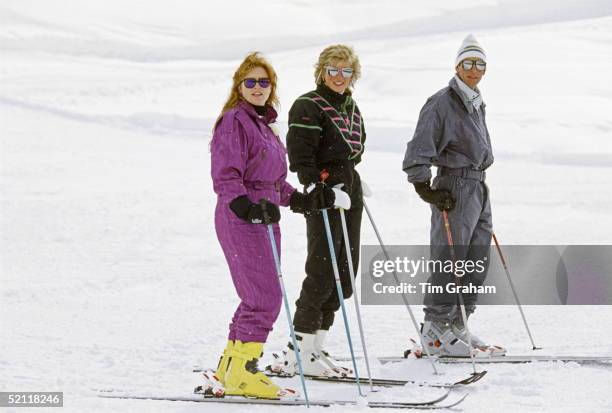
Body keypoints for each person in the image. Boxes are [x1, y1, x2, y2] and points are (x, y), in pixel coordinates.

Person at [210, 52, 349, 398]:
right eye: (251, 81)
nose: (258, 87)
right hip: (241, 217)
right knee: (264, 297)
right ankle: (243, 371)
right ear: (239, 86)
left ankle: (232, 364)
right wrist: (247, 207)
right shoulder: (234, 121)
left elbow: (272, 181)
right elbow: (227, 175)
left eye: (264, 82)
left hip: (264, 216)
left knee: (257, 295)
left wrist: (301, 200)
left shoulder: (264, 125)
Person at [402, 34, 506, 357]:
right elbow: (419, 148)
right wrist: (425, 188)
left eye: (480, 64)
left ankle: (458, 324)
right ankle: (435, 329)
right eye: (468, 63)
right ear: (457, 65)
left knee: (477, 258)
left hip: (478, 186)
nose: (474, 70)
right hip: (455, 187)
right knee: (451, 259)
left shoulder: (475, 101)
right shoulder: (441, 102)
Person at [270, 45, 366, 377]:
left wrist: (352, 179)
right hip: (324, 192)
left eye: (346, 71)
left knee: (345, 274)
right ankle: (300, 349)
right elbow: (300, 156)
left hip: (348, 187)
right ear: (321, 71)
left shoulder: (351, 106)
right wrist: (319, 188)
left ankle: (314, 347)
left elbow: (356, 149)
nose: (339, 78)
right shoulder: (308, 105)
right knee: (323, 272)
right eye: (333, 70)